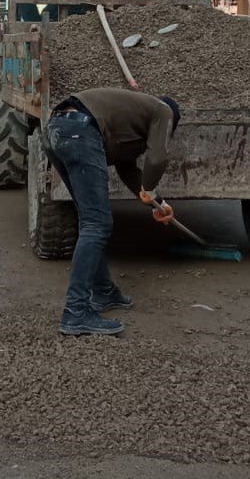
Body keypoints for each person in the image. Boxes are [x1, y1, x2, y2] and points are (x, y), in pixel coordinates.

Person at [45, 89, 181, 336]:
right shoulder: (164, 110)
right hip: (81, 131)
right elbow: (158, 158)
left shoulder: (131, 121)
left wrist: (157, 203)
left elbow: (127, 169)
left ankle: (103, 291)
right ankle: (76, 312)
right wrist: (150, 187)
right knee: (97, 224)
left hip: (58, 128)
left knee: (90, 221)